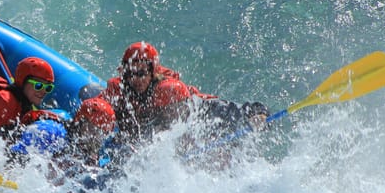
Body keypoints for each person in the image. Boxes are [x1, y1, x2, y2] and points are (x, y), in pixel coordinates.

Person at [103, 41, 269, 147]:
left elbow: (231, 110)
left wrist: (259, 114)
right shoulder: (119, 89)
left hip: (199, 134)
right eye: (129, 74)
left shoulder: (181, 98)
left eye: (140, 74)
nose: (135, 80)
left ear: (153, 73)